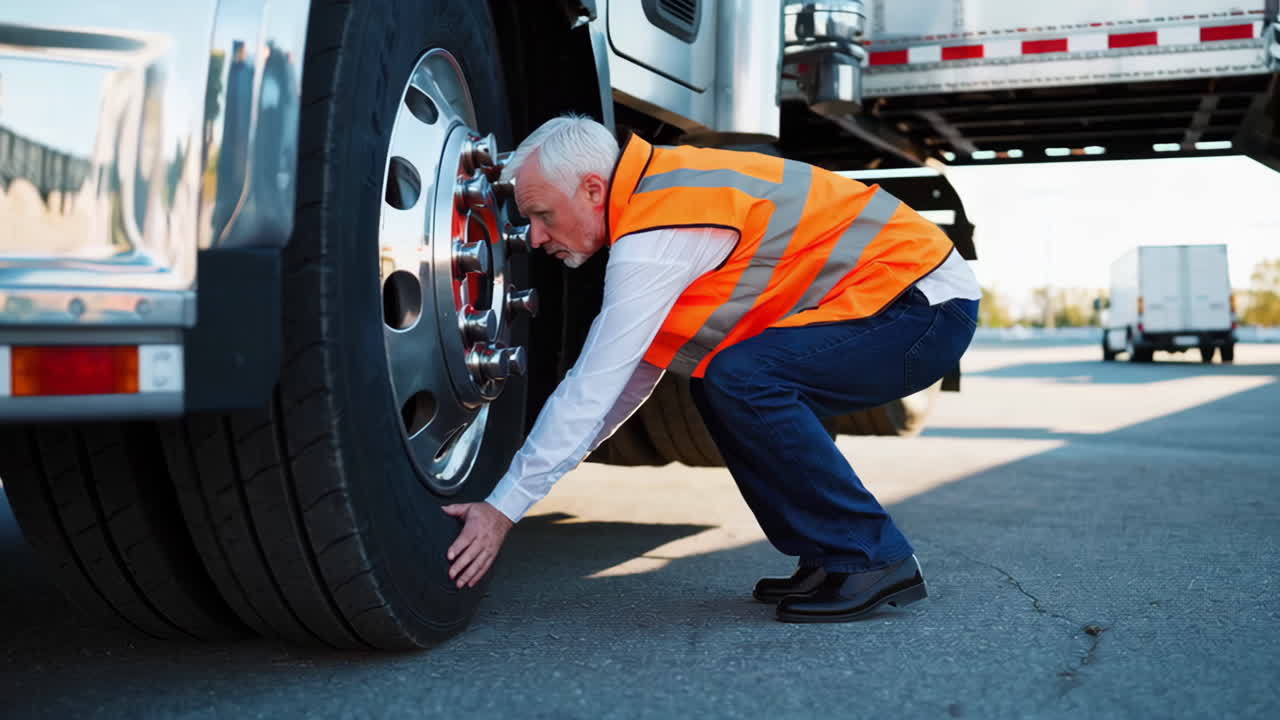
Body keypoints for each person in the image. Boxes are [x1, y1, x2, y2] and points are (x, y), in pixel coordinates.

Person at [442, 115, 980, 623]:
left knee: (744, 380)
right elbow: (615, 395)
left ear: (591, 189)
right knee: (720, 379)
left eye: (543, 215)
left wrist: (503, 508)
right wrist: (521, 492)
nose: (533, 237)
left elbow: (592, 386)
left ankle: (872, 558)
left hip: (921, 307)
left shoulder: (657, 234)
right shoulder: (656, 205)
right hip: (904, 305)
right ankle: (829, 555)